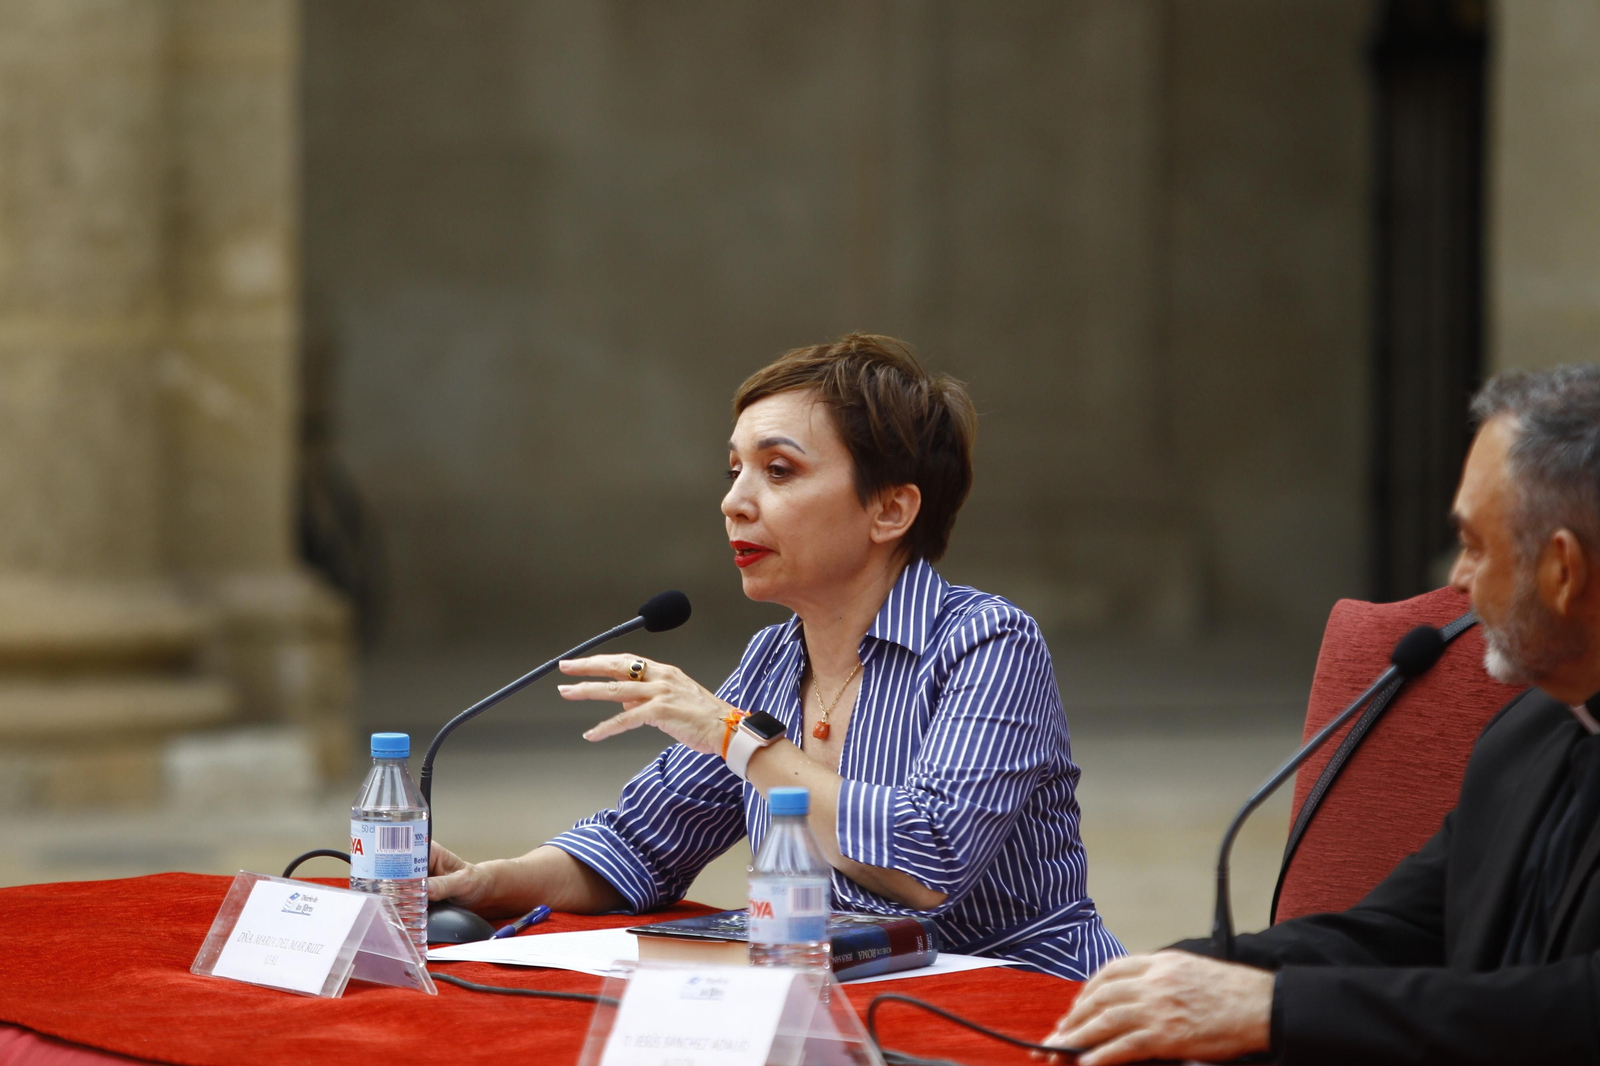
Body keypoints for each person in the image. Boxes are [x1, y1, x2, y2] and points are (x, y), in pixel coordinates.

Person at [429, 333, 1125, 978]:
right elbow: (639, 846)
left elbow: (928, 862)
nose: (733, 502)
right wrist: (485, 883)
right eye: (734, 470)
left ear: (890, 510)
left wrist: (734, 735)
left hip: (1024, 1009)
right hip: (844, 1000)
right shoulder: (772, 660)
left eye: (779, 470)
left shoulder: (988, 642)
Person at [1041, 364, 1600, 1065]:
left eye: (1474, 546)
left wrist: (1272, 1009)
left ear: (1561, 571)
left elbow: (1574, 1008)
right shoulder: (1528, 736)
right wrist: (1187, 974)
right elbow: (1394, 932)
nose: (1456, 579)